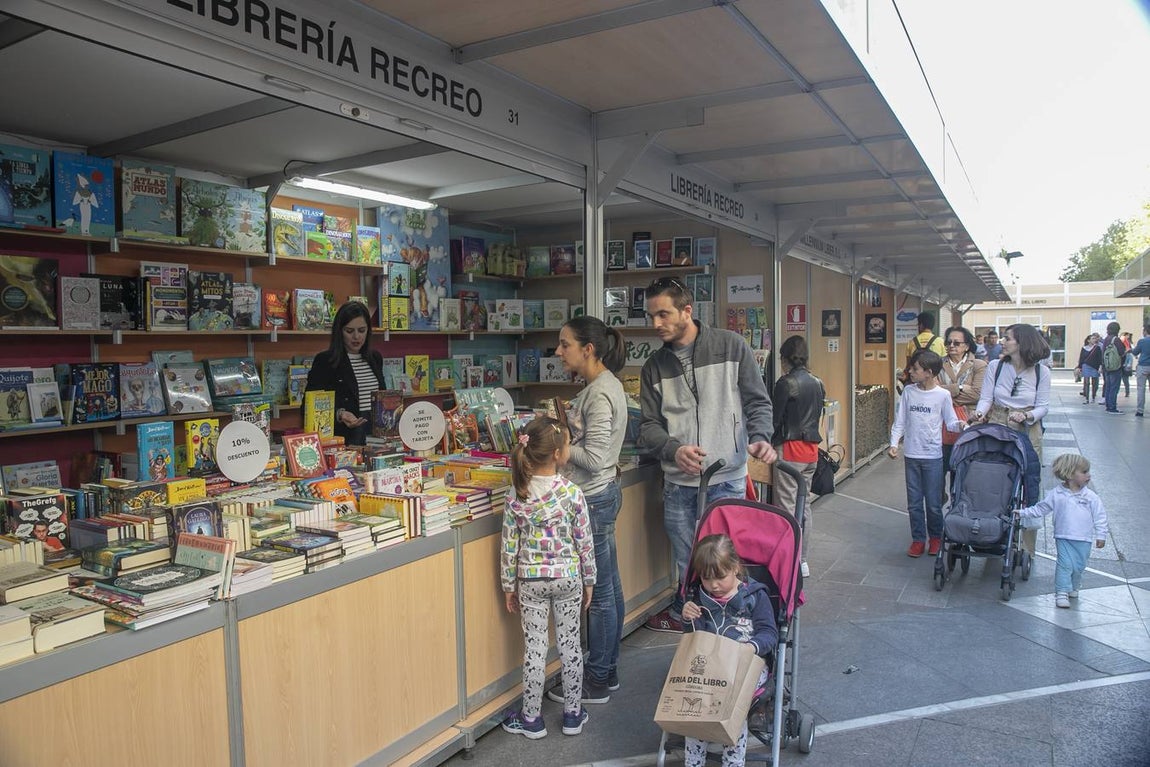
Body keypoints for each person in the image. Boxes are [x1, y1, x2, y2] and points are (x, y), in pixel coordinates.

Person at [638, 276, 776, 633]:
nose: (656, 324)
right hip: (678, 484)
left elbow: (758, 401)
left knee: (726, 567)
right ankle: (698, 643)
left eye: (664, 314)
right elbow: (648, 426)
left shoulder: (731, 346)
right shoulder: (653, 366)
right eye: (651, 316)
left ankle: (736, 638)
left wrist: (760, 437)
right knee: (688, 567)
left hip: (727, 479)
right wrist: (673, 448)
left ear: (687, 310)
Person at [545, 317, 628, 705]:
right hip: (601, 494)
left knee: (599, 595)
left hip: (593, 499)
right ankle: (605, 671)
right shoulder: (601, 387)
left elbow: (594, 457)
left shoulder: (599, 393)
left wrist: (559, 449)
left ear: (588, 349)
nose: (559, 352)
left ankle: (594, 679)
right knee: (608, 587)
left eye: (565, 345)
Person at [500, 417, 595, 740]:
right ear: (557, 454)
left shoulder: (516, 494)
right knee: (570, 646)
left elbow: (509, 545)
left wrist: (508, 586)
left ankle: (531, 718)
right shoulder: (572, 493)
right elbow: (584, 541)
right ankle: (572, 714)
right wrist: (589, 580)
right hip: (568, 577)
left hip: (530, 581)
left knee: (535, 649)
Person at [680, 533, 776, 767]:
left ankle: (733, 762)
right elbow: (694, 638)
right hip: (712, 666)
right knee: (695, 711)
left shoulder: (754, 597)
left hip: (747, 663)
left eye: (720, 578)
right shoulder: (700, 597)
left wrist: (751, 647)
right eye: (706, 579)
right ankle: (693, 762)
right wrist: (688, 618)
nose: (713, 585)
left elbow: (769, 633)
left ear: (735, 568)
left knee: (735, 707)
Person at [970, 323, 1050, 555]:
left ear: (1022, 343)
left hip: (1026, 427)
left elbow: (1043, 406)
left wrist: (1026, 415)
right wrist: (980, 412)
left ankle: (1026, 547)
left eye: (1008, 338)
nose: (1003, 342)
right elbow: (986, 398)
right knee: (995, 479)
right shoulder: (995, 366)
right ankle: (991, 533)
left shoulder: (1041, 372)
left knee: (1028, 483)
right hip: (997, 423)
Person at [888, 350, 965, 557]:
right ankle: (918, 539)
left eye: (915, 369)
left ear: (928, 373)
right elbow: (900, 420)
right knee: (914, 503)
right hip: (911, 455)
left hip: (933, 456)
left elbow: (950, 422)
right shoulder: (909, 392)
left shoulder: (942, 395)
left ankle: (936, 537)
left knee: (933, 503)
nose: (910, 372)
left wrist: (961, 425)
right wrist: (894, 443)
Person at [1014, 453, 1107, 609]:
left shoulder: (1091, 497)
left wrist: (1101, 535)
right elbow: (1041, 508)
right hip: (1063, 536)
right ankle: (1061, 592)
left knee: (1079, 566)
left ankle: (1074, 585)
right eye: (1084, 472)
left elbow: (1100, 516)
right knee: (1065, 564)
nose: (1088, 476)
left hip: (1084, 539)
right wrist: (1023, 513)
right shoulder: (1056, 494)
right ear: (1070, 475)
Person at [304, 301, 384, 444]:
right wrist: (340, 414)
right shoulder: (325, 361)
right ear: (340, 331)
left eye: (361, 330)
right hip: (346, 439)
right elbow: (308, 406)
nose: (356, 337)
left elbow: (382, 396)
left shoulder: (375, 358)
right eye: (349, 331)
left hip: (376, 437)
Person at [770, 336, 825, 528]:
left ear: (785, 359)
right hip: (811, 451)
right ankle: (802, 557)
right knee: (804, 505)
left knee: (786, 507)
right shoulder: (818, 382)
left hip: (790, 450)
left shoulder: (785, 384)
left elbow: (775, 420)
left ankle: (789, 555)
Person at [937, 326, 986, 487]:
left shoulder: (978, 365)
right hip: (941, 425)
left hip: (969, 424)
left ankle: (956, 506)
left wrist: (947, 393)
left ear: (966, 346)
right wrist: (958, 388)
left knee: (961, 476)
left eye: (957, 343)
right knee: (939, 472)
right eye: (949, 342)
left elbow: (977, 394)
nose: (951, 345)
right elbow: (934, 392)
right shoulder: (937, 364)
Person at [903, 311, 946, 380]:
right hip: (935, 379)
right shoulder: (940, 342)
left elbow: (909, 365)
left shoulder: (912, 342)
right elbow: (944, 364)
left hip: (917, 380)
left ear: (921, 325)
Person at [1099, 321, 1125, 414]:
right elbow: (1121, 352)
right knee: (1114, 387)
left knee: (1108, 386)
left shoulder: (1106, 339)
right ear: (1117, 330)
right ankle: (1112, 407)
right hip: (1115, 367)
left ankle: (1108, 405)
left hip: (1106, 366)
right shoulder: (1116, 340)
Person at [1075, 333, 1102, 403]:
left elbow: (1100, 358)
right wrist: (1079, 367)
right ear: (1088, 340)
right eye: (1092, 339)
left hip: (1095, 366)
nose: (1094, 340)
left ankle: (1093, 396)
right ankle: (1087, 398)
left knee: (1094, 382)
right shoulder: (1084, 348)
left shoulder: (1097, 348)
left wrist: (1100, 367)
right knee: (1086, 382)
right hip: (1085, 366)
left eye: (1095, 339)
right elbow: (1081, 358)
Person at [1133, 324, 1150, 418]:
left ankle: (1140, 411)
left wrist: (1130, 350)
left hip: (1143, 366)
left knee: (1141, 389)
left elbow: (1135, 352)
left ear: (1146, 331)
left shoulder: (1142, 341)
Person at [1120, 331, 1135, 397]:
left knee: (1125, 380)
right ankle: (1127, 392)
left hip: (1124, 367)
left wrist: (1129, 365)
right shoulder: (1124, 342)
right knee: (1124, 380)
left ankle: (1127, 392)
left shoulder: (1128, 344)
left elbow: (1130, 356)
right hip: (1123, 366)